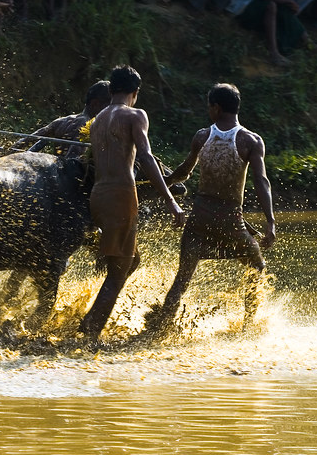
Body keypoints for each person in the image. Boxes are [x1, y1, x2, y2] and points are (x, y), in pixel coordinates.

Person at [143, 83, 275, 338]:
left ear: (216, 107)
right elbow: (262, 182)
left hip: (199, 219)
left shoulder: (202, 136)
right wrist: (270, 222)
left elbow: (184, 171)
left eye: (209, 106)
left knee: (182, 278)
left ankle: (159, 330)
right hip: (230, 221)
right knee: (256, 266)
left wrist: (161, 184)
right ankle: (248, 327)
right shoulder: (251, 140)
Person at [77, 65, 184, 340]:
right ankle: (89, 334)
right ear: (135, 93)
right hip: (121, 195)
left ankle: (90, 317)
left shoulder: (98, 119)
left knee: (131, 261)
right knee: (117, 273)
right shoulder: (136, 115)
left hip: (98, 196)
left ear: (111, 90)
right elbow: (146, 158)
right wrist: (171, 201)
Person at [12, 79, 110, 158]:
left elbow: (26, 141)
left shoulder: (62, 121)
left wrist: (9, 151)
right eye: (109, 107)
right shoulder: (87, 126)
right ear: (95, 104)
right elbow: (72, 161)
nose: (111, 112)